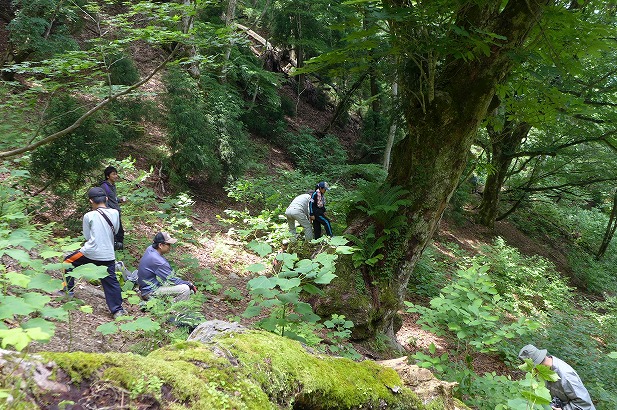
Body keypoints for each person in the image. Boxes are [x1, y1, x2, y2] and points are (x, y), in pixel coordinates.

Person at [60, 187, 127, 319]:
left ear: (91, 201)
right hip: (108, 254)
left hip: (90, 252)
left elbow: (87, 236)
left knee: (67, 262)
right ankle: (118, 310)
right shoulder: (114, 213)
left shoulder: (89, 215)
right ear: (106, 199)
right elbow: (116, 230)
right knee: (111, 281)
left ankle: (67, 291)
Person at [518, 344, 596, 410]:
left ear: (536, 366)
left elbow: (584, 403)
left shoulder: (566, 375)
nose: (532, 372)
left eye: (531, 369)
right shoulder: (545, 371)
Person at [137, 232, 197, 302]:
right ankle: (177, 311)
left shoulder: (150, 249)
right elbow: (172, 279)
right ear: (160, 245)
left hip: (146, 287)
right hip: (150, 292)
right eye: (168, 244)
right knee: (185, 289)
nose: (170, 247)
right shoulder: (159, 261)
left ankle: (168, 305)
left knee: (189, 292)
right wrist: (189, 284)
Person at [100, 166, 125, 248]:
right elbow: (104, 200)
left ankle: (119, 247)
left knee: (119, 231)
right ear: (108, 176)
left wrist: (119, 200)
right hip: (111, 213)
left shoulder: (112, 186)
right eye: (113, 174)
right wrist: (108, 212)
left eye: (116, 174)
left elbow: (112, 198)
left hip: (117, 212)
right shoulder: (104, 187)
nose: (116, 176)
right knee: (117, 232)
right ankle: (116, 248)